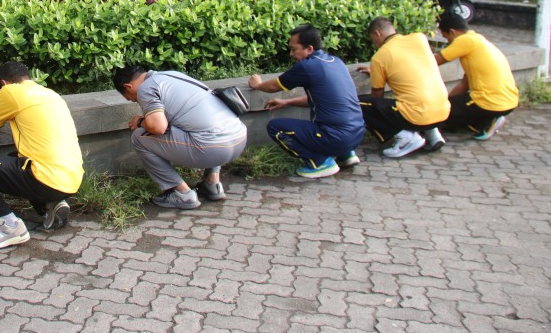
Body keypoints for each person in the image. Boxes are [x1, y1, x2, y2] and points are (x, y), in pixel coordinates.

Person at [0, 61, 84, 250]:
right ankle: (51, 204)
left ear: (3, 83)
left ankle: (9, 225)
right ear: (29, 78)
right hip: (72, 180)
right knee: (14, 156)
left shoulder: (10, 92)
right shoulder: (51, 94)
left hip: (45, 179)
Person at [112, 66, 248, 210]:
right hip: (239, 138)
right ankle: (212, 184)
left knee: (138, 137)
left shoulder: (146, 88)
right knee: (202, 125)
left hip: (211, 148)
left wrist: (140, 121)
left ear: (128, 86)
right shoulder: (173, 75)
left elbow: (158, 127)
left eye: (130, 97)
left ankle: (181, 193)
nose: (134, 100)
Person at [248, 24, 364, 178]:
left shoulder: (308, 66)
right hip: (357, 134)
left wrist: (258, 84)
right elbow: (322, 99)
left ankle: (320, 163)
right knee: (334, 126)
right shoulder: (335, 61)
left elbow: (275, 86)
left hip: (336, 137)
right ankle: (345, 155)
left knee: (276, 128)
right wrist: (288, 102)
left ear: (309, 49)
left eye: (294, 49)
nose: (291, 53)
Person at [357, 17, 450, 158]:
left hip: (417, 115)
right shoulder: (419, 38)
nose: (375, 44)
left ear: (377, 34)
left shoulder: (380, 56)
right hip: (443, 111)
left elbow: (377, 97)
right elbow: (410, 67)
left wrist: (379, 72)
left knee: (358, 105)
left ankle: (406, 138)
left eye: (373, 40)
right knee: (418, 97)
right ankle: (433, 134)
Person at [434, 13, 519, 140]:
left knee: (437, 115)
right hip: (508, 102)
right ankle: (486, 120)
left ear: (452, 31)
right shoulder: (477, 40)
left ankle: (486, 123)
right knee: (448, 113)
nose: (448, 42)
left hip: (488, 101)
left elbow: (433, 62)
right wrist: (447, 102)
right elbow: (464, 84)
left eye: (447, 38)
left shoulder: (464, 40)